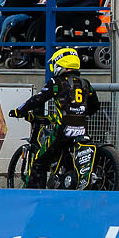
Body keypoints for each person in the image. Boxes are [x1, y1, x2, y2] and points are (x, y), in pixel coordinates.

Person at [13, 46, 100, 187]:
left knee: (40, 160)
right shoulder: (85, 83)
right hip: (82, 130)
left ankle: (34, 193)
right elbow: (95, 106)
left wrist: (19, 110)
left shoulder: (56, 82)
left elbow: (38, 99)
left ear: (60, 63)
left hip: (63, 131)